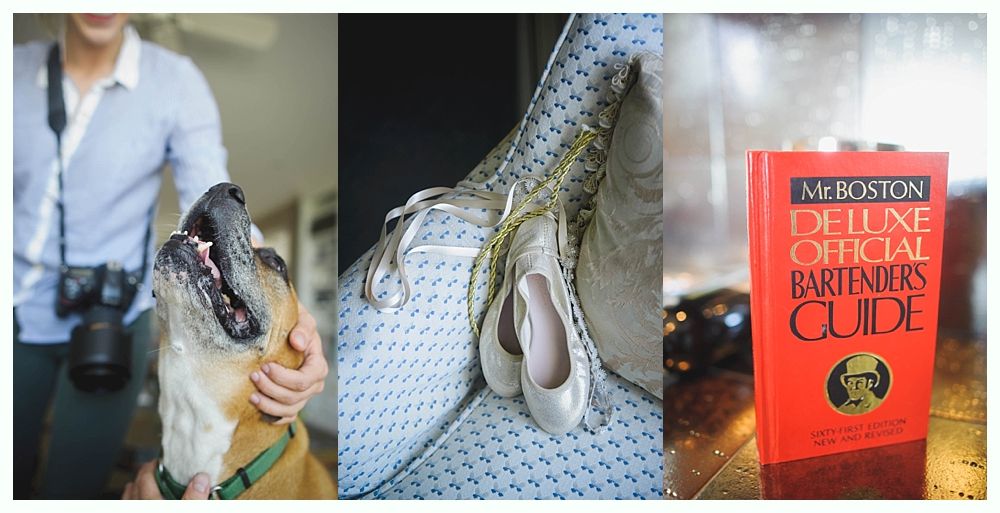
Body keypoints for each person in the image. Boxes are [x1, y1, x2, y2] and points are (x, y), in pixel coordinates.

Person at [13, 13, 328, 499]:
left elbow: (207, 188)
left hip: (118, 316)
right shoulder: (10, 71)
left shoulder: (175, 81)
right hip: (12, 306)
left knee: (71, 488)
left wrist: (298, 328)